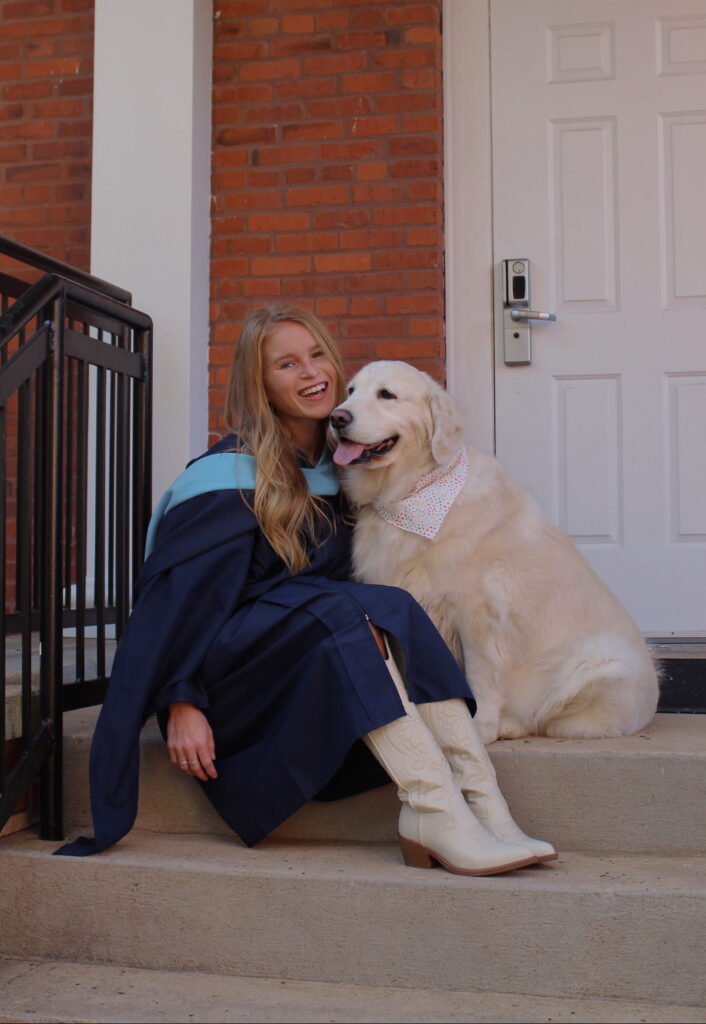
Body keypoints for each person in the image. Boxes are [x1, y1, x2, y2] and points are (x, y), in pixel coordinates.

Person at [56, 304, 556, 874]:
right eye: (287, 364)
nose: (311, 372)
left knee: (386, 605)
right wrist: (181, 699)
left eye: (317, 355)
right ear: (261, 385)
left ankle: (482, 801)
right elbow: (177, 605)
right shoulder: (227, 480)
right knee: (344, 612)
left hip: (313, 658)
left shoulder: (348, 463)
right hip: (236, 680)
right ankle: (432, 806)